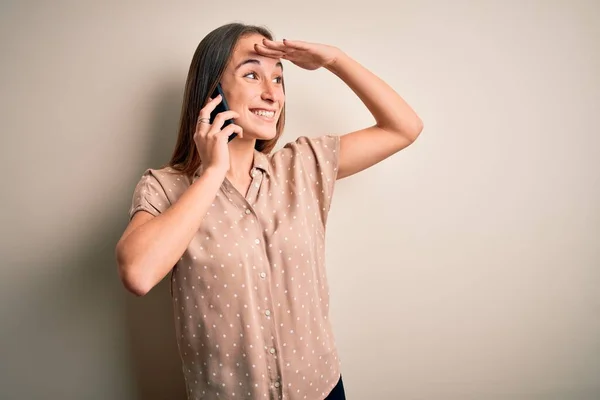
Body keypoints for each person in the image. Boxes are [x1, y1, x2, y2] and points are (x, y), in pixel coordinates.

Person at [116, 22, 422, 400]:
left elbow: (404, 128)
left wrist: (334, 60)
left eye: (278, 79)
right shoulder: (164, 187)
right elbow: (138, 274)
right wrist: (212, 173)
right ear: (213, 92)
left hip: (322, 391)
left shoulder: (301, 165)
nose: (271, 93)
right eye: (252, 74)